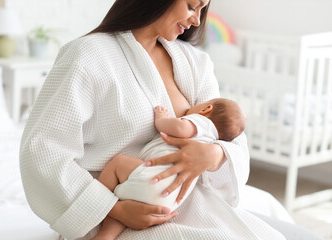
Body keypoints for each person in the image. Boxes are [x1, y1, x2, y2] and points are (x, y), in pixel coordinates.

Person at [20, 0, 323, 239]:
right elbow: (44, 151)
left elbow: (229, 133)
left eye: (202, 10)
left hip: (183, 201)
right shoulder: (87, 55)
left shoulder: (195, 62)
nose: (195, 20)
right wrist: (114, 209)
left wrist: (214, 154)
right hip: (114, 211)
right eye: (192, 6)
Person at [93, 98, 247, 240]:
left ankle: (100, 202)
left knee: (118, 163)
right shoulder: (211, 140)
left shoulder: (202, 124)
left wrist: (162, 118)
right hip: (168, 200)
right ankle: (106, 236)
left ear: (206, 109)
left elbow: (180, 129)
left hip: (153, 178)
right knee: (127, 203)